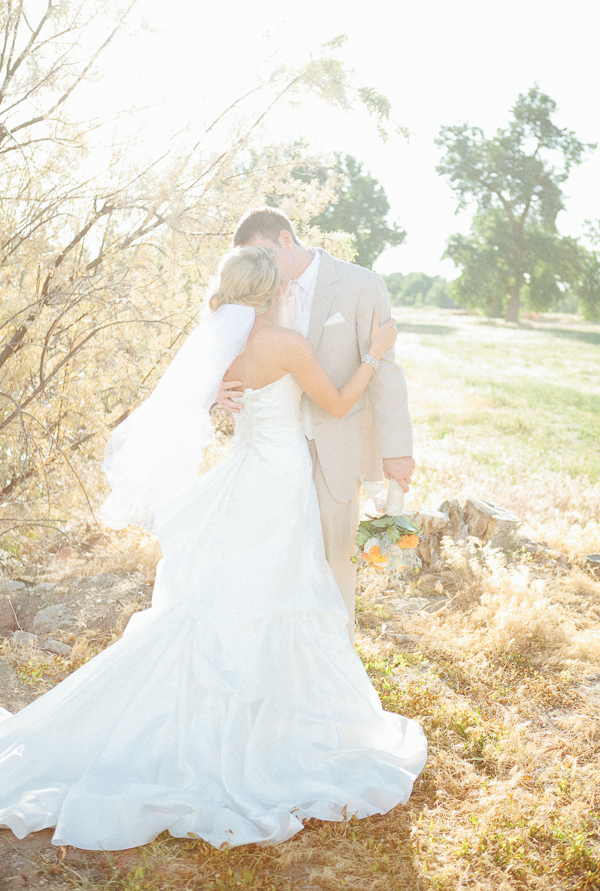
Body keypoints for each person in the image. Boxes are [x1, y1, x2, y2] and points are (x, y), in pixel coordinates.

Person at [0, 246, 427, 852]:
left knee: (227, 596)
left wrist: (222, 400)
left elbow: (202, 403)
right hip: (280, 483)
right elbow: (335, 403)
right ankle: (267, 729)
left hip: (242, 474)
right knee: (279, 594)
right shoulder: (287, 344)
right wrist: (372, 355)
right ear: (276, 289)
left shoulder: (222, 343)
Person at [218, 208, 414, 645]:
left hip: (337, 446)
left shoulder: (362, 284)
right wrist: (217, 390)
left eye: (265, 255)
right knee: (272, 561)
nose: (262, 269)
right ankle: (276, 655)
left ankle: (334, 661)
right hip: (274, 454)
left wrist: (396, 449)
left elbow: (387, 373)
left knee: (332, 561)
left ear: (286, 240)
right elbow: (221, 356)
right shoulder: (255, 294)